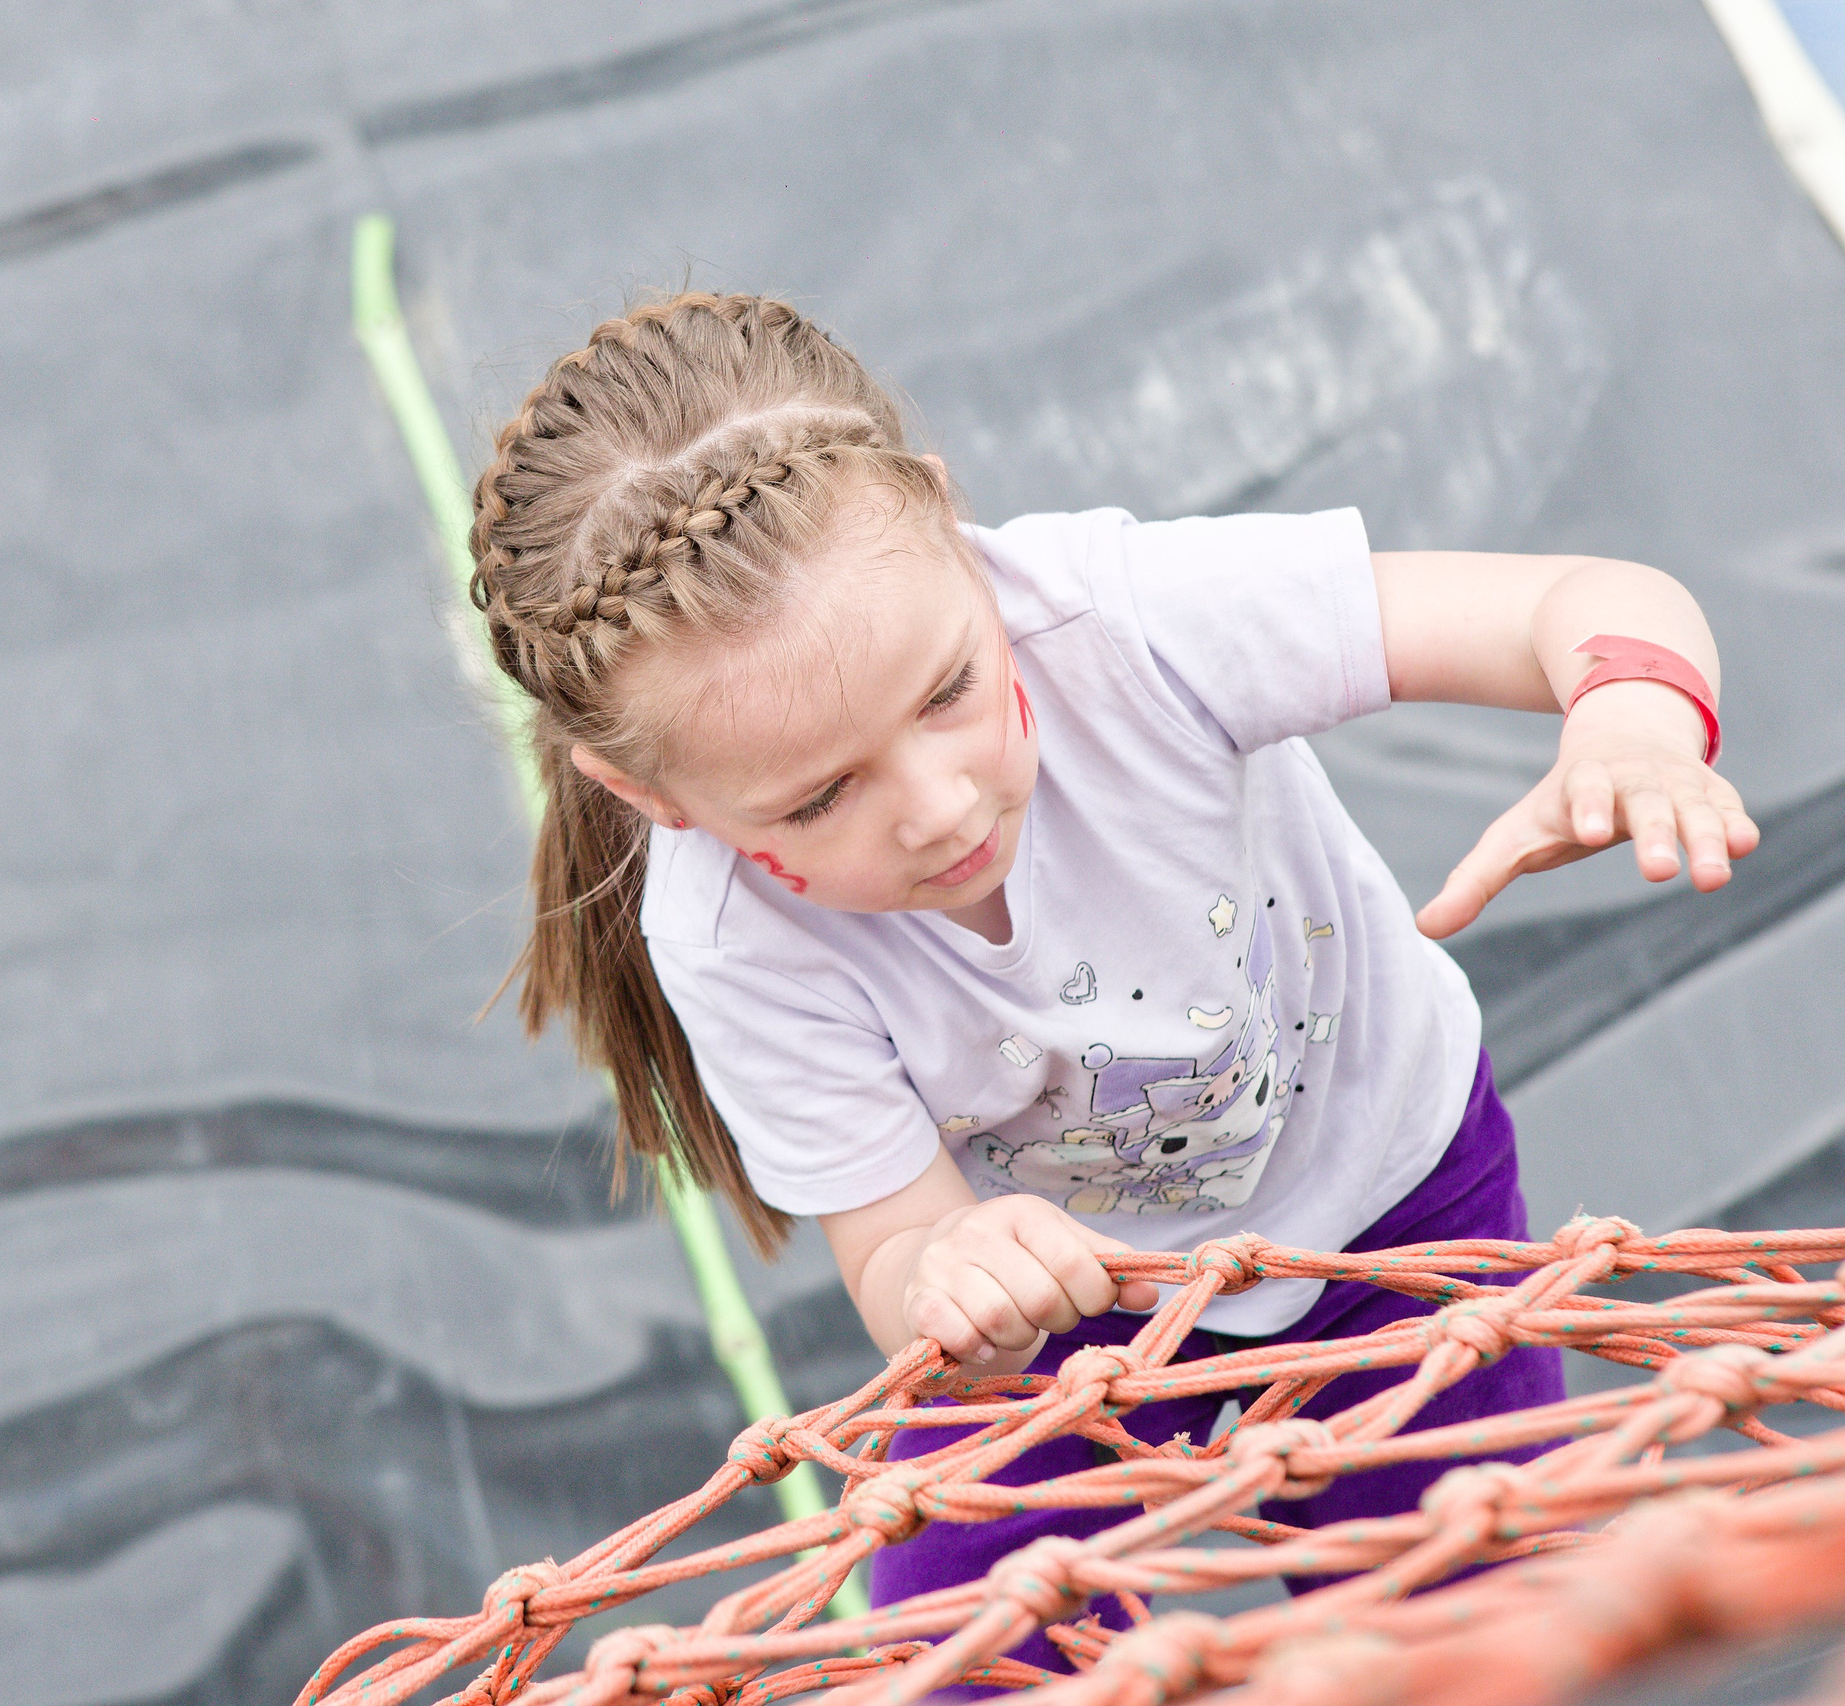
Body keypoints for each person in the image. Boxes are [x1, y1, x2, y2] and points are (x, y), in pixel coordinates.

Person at [467, 293, 1754, 1665]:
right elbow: (895, 1253)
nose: (937, 803)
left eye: (950, 690)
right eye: (822, 795)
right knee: (973, 1658)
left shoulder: (1127, 622)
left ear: (952, 530)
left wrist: (1630, 715)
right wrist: (952, 1270)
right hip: (1073, 1322)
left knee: (1463, 1627)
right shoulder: (729, 938)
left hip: (1392, 1194)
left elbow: (1581, 601)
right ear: (646, 791)